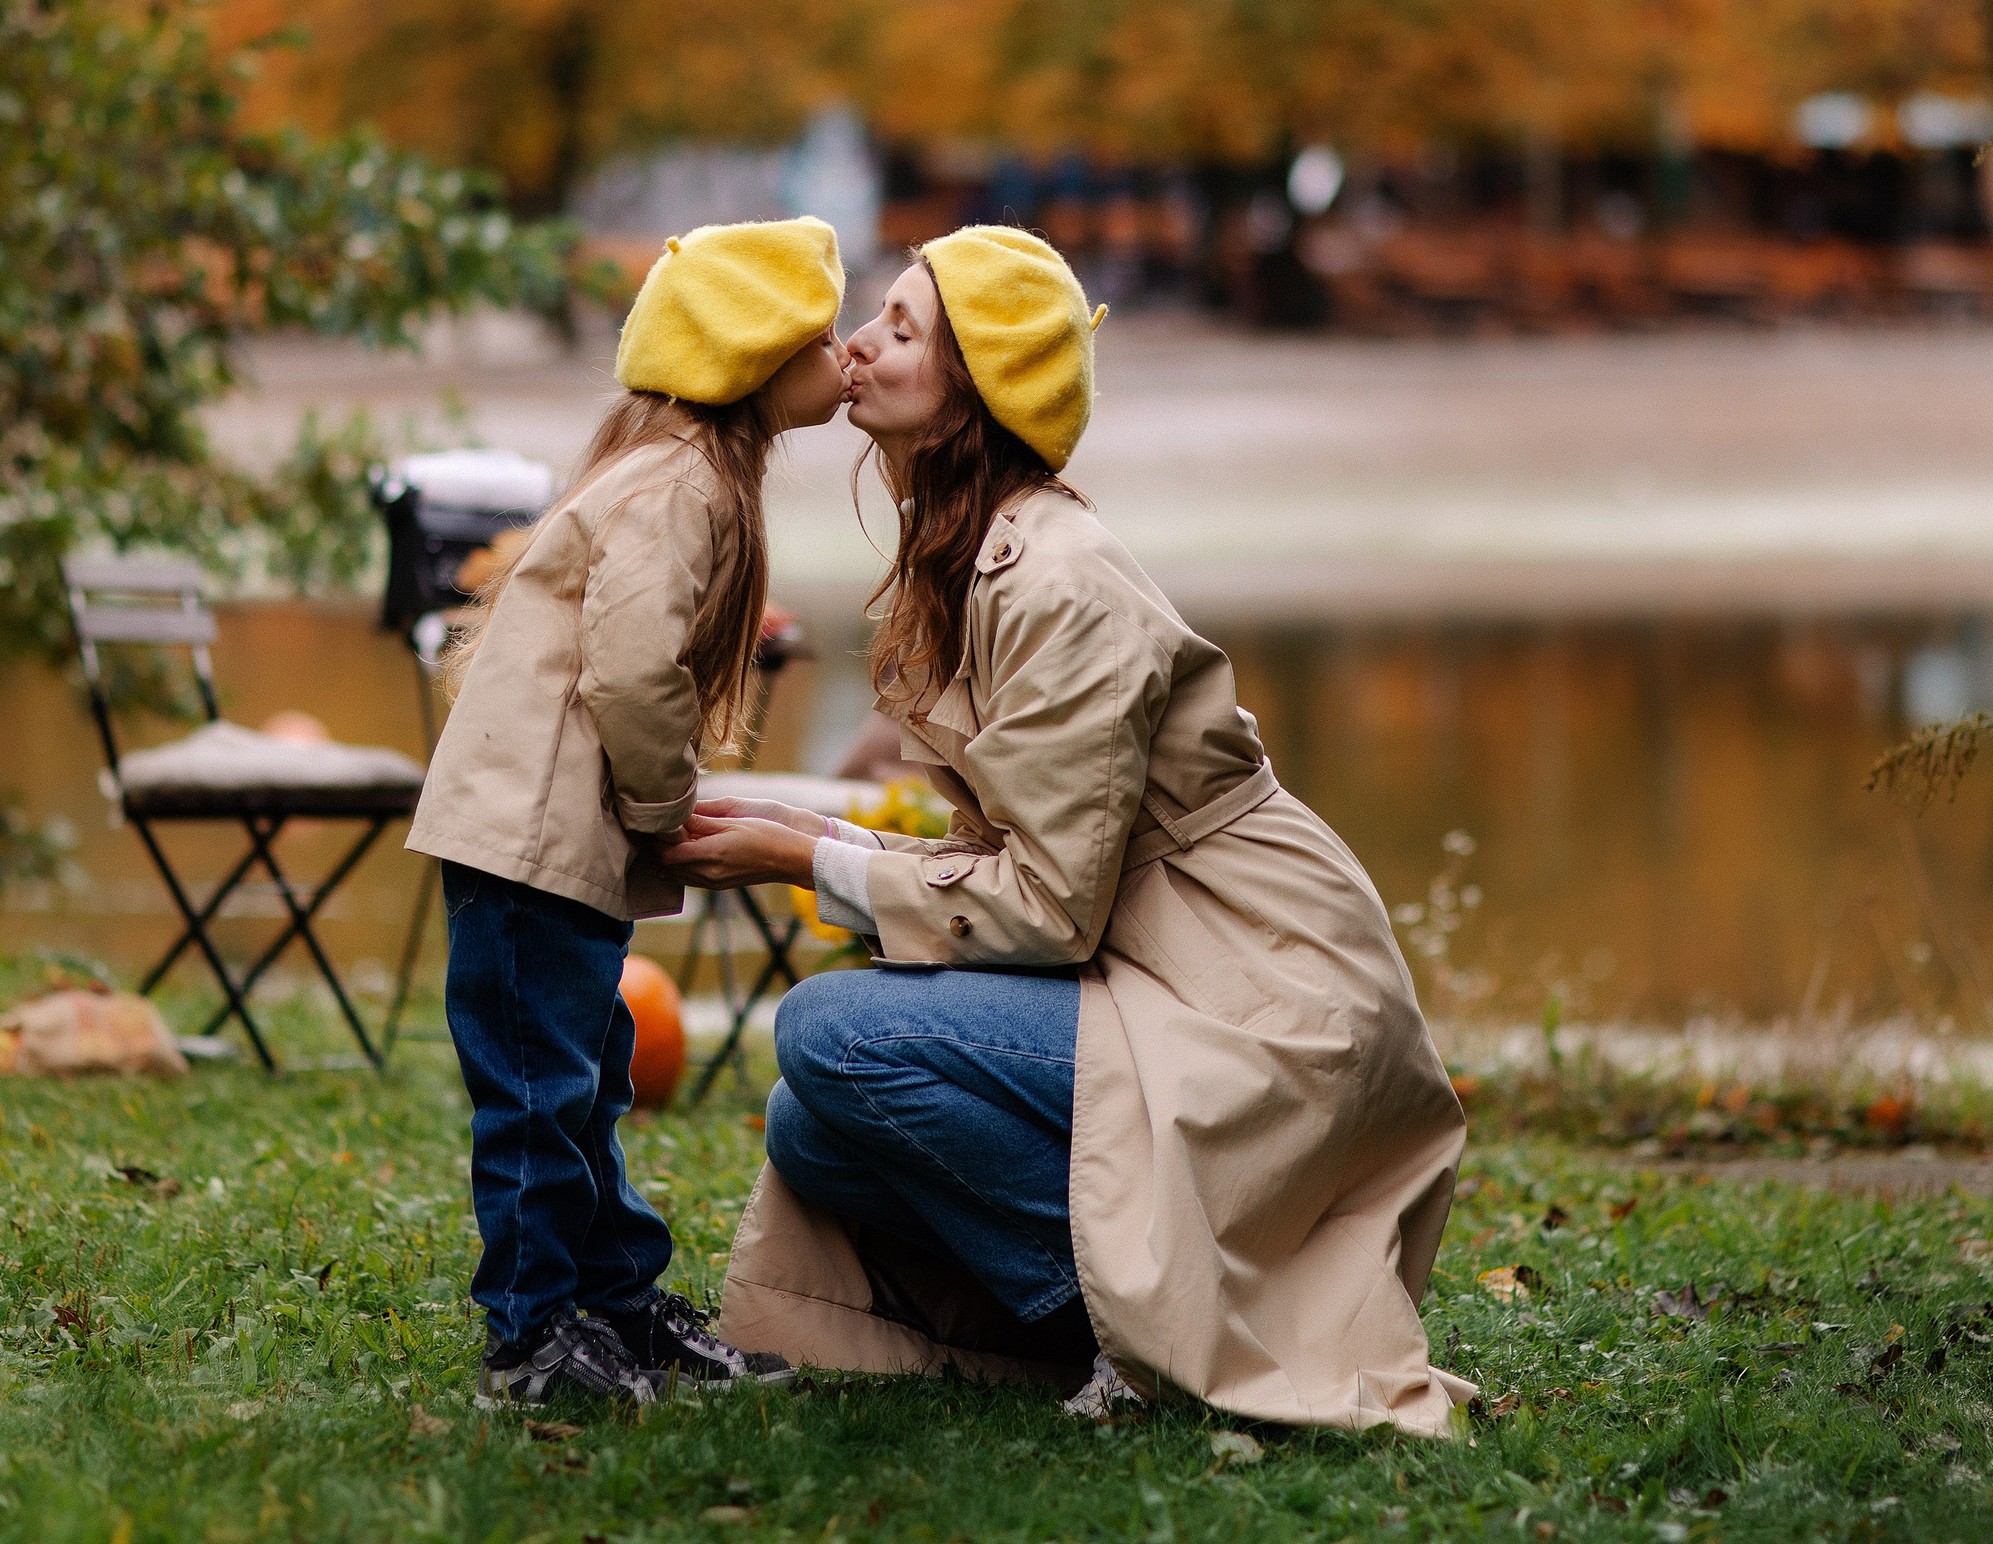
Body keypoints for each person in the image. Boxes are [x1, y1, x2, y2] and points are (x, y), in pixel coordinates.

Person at [664, 227, 1476, 1436]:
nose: (855, 344)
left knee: (829, 1034)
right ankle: (1095, 1325)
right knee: (811, 1126)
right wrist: (810, 827)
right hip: (1148, 964)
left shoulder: (1057, 582)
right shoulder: (975, 554)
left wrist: (802, 860)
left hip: (1255, 996)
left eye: (900, 328)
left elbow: (1045, 909)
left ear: (978, 388)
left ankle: (1158, 1333)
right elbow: (1030, 863)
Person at [407, 217, 841, 1409]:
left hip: (553, 835)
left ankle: (614, 1302)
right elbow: (634, 669)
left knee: (584, 1074)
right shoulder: (677, 485)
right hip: (526, 839)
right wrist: (664, 804)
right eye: (823, 338)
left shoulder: (680, 471)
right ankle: (529, 1341)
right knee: (538, 1092)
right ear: (754, 355)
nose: (846, 356)